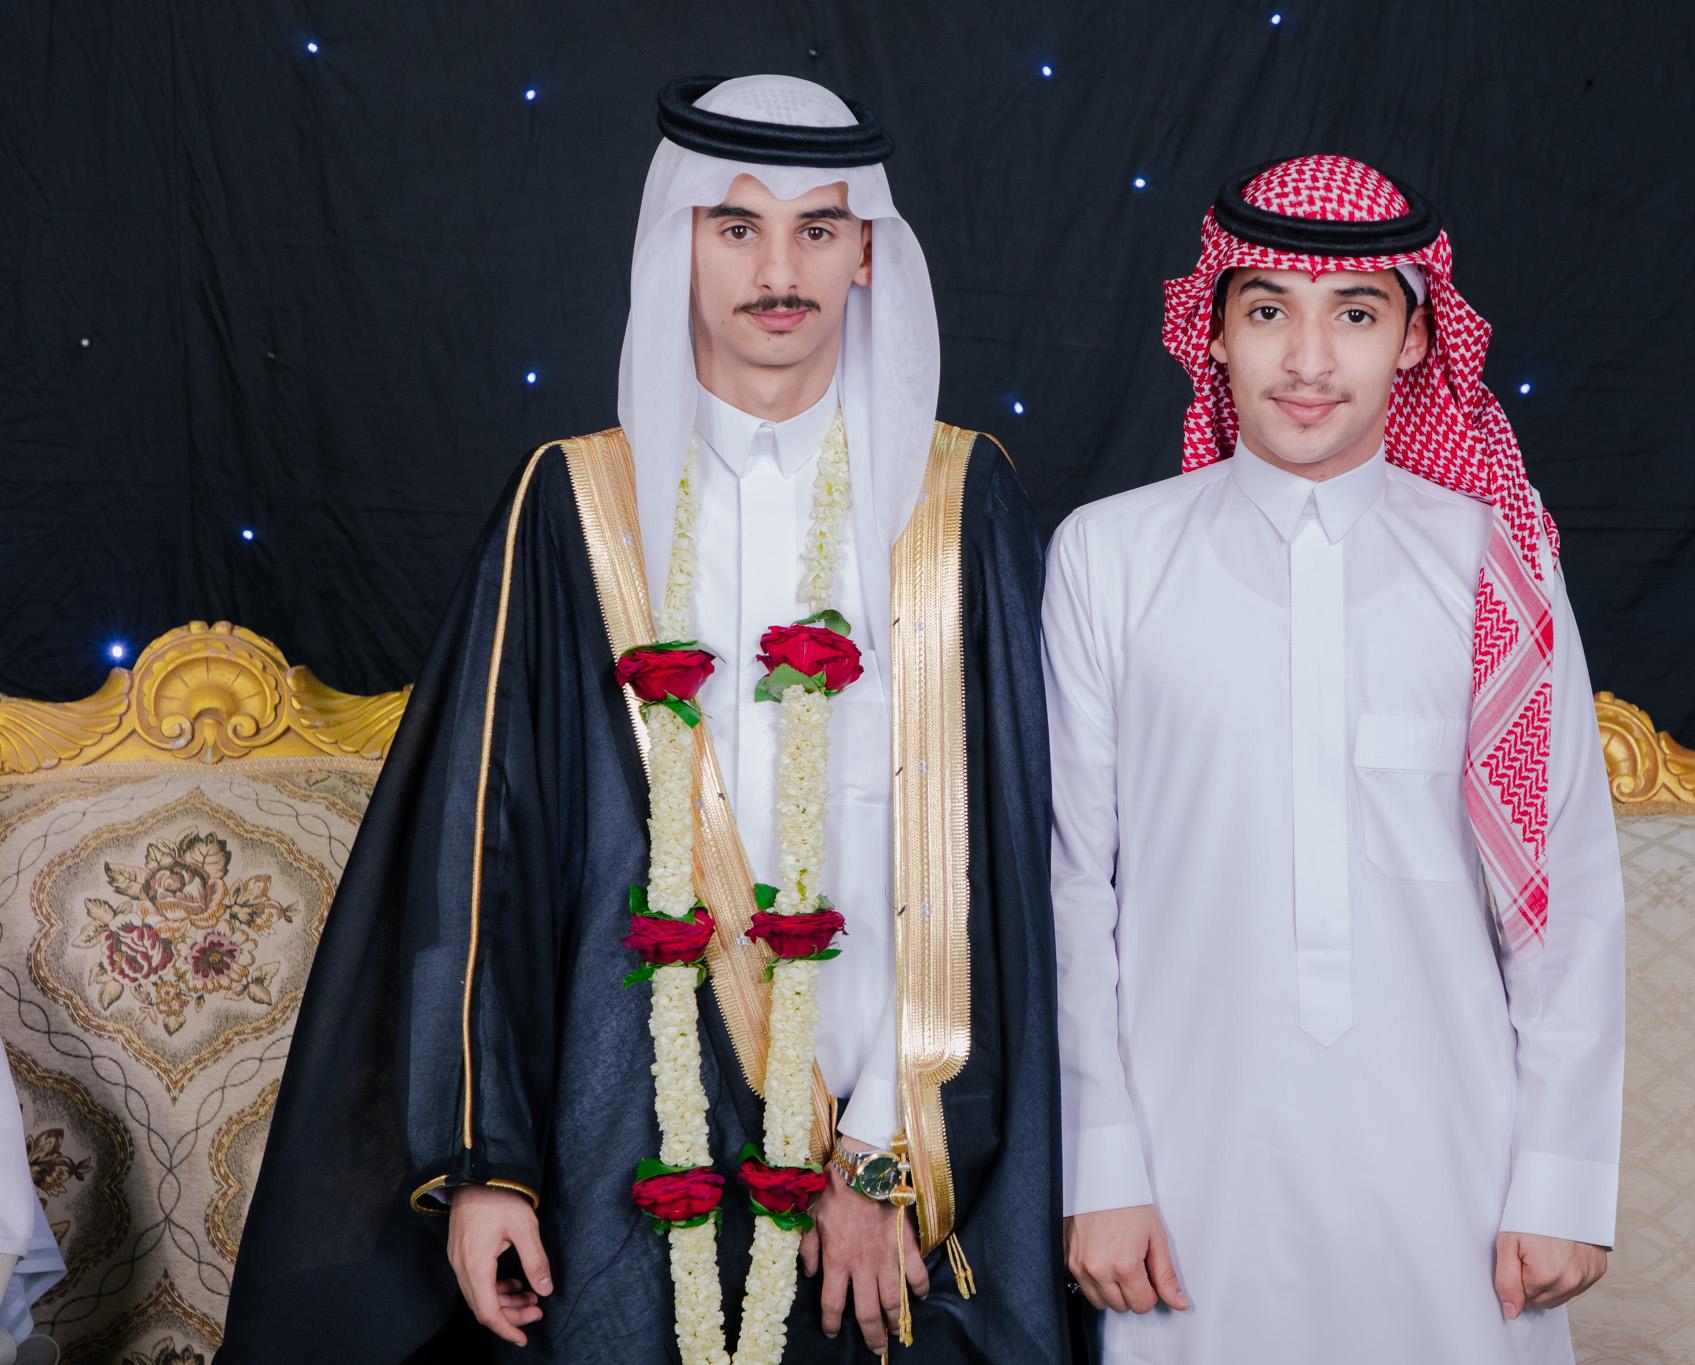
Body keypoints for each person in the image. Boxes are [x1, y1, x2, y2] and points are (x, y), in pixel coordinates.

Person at [220, 75, 1067, 1365]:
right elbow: (482, 856)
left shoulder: (957, 502)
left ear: (866, 256)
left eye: (816, 230)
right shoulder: (574, 505)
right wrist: (487, 1163)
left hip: (899, 1156)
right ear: (676, 243)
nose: (777, 271)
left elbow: (1007, 863)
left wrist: (887, 1156)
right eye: (735, 227)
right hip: (627, 1131)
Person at [1041, 155, 1625, 1363]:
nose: (1307, 361)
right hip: (1184, 1175)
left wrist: (1562, 1176)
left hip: (1457, 1171)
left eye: (1353, 315)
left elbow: (1565, 889)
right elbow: (1071, 890)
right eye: (1268, 311)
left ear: (1413, 340)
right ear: (1213, 332)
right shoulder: (1107, 558)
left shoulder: (1494, 564)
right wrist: (1099, 1165)